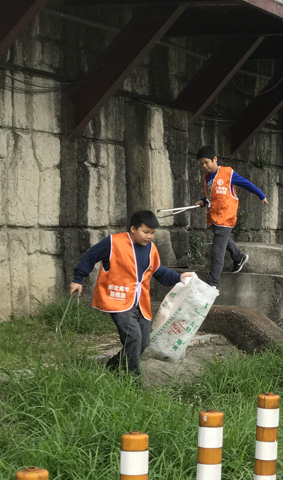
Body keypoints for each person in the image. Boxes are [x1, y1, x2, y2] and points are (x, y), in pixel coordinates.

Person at [69, 211, 194, 378]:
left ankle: (111, 367)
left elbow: (158, 271)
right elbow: (90, 256)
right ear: (133, 229)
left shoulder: (151, 249)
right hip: (117, 299)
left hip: (140, 302)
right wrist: (78, 278)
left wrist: (179, 277)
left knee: (143, 342)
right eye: (146, 232)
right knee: (133, 338)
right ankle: (133, 381)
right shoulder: (113, 242)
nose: (149, 236)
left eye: (152, 233)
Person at [194, 146, 269, 287]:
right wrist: (203, 201)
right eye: (201, 164)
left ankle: (211, 285)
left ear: (214, 159)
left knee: (217, 252)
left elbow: (246, 184)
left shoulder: (228, 173)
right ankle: (239, 257)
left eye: (206, 162)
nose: (204, 166)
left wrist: (261, 195)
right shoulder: (206, 177)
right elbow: (213, 195)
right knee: (223, 240)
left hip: (226, 217)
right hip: (215, 216)